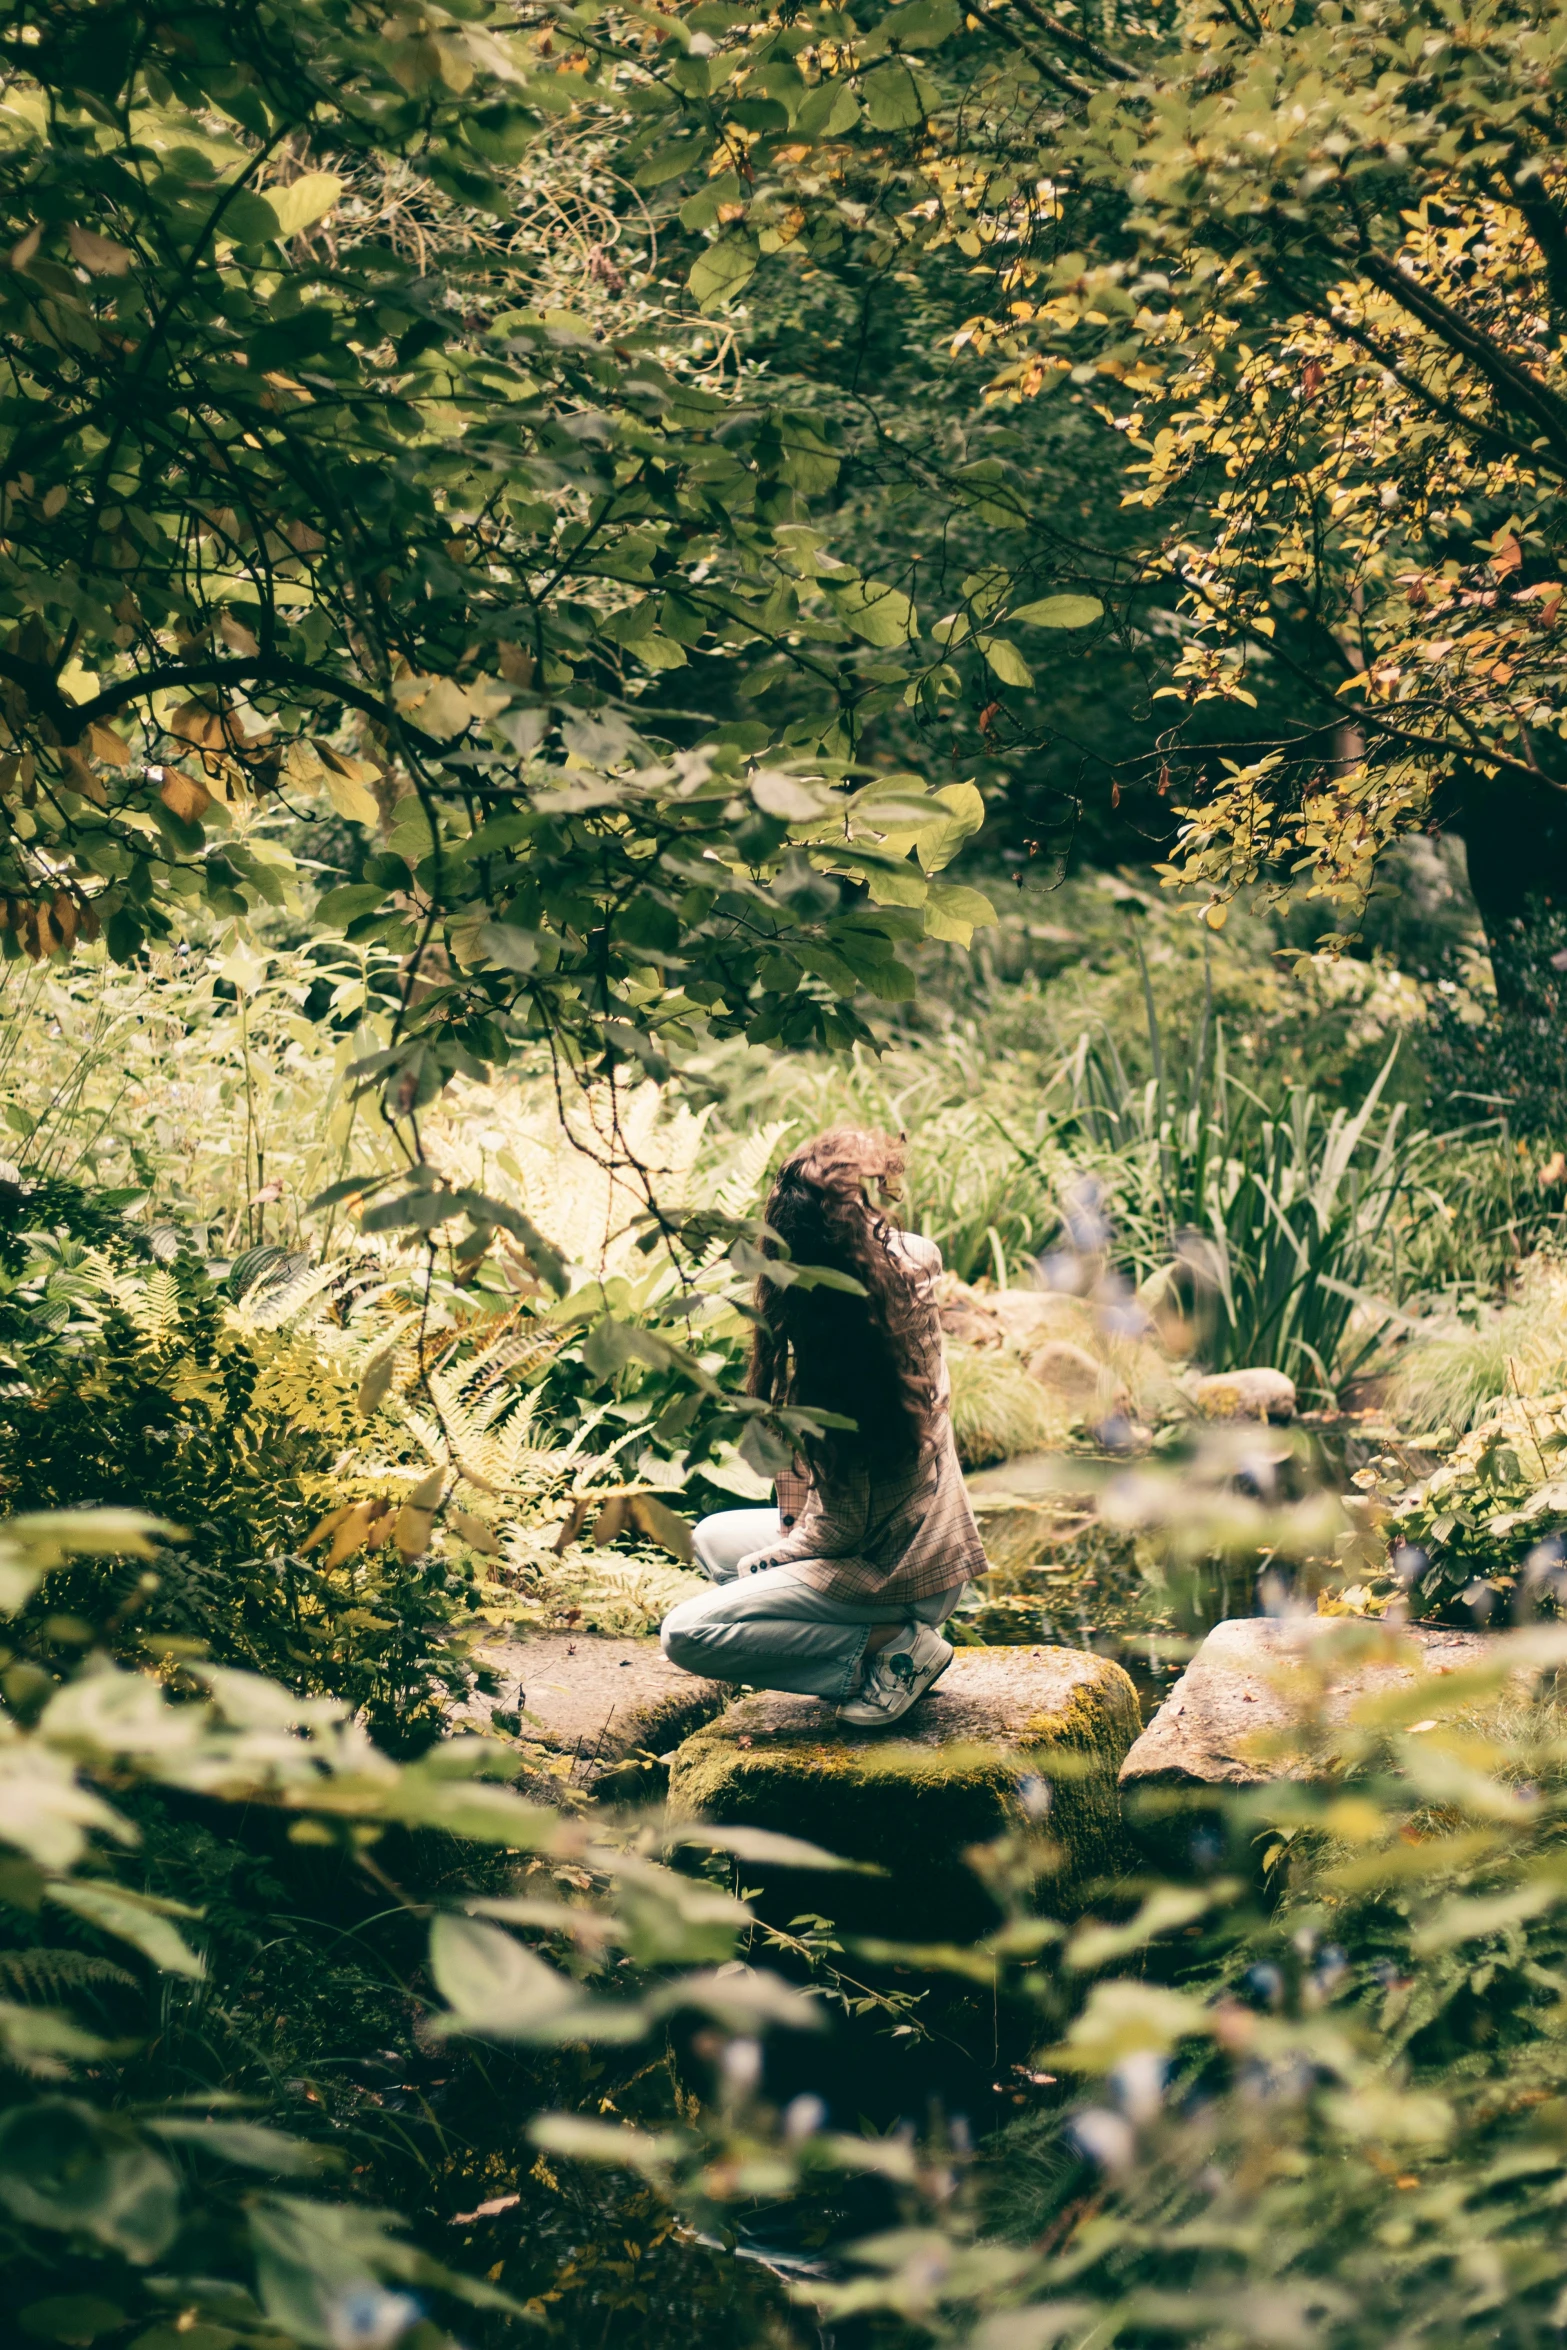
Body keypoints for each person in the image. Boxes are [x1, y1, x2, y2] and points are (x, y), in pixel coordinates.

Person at [660, 1127, 987, 1726]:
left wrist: (779, 1558)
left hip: (895, 1568)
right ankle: (866, 1653)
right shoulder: (910, 1270)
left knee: (685, 1633)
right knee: (713, 1538)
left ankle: (893, 1650)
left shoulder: (846, 1378)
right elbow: (905, 1243)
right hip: (918, 1545)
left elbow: (837, 1530)